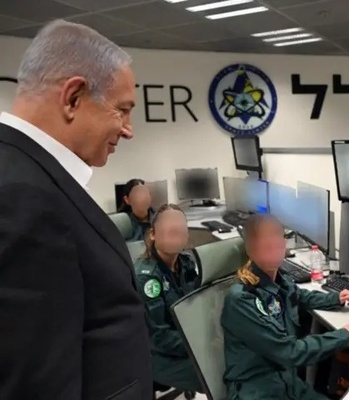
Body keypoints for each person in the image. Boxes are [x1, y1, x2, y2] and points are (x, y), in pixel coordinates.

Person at [0, 20, 152, 400]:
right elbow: (37, 385)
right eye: (122, 110)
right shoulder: (22, 197)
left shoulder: (29, 174)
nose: (129, 129)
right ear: (73, 98)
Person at [221, 214, 349, 400]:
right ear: (250, 248)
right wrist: (346, 334)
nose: (273, 243)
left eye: (277, 236)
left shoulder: (279, 280)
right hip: (257, 391)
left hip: (288, 384)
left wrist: (335, 298)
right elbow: (289, 352)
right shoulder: (243, 299)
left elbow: (300, 296)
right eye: (264, 239)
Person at [135, 204, 203, 393]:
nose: (176, 232)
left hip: (184, 342)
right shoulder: (147, 278)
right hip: (157, 355)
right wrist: (200, 344)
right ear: (153, 234)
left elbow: (196, 306)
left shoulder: (186, 263)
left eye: (180, 229)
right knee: (217, 375)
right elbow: (159, 337)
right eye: (170, 229)